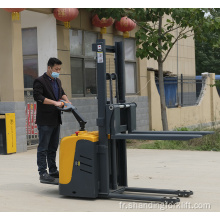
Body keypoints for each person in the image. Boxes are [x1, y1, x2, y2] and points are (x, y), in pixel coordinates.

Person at [33, 57, 71, 183]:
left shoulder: (57, 81)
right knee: (43, 147)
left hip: (56, 118)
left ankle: (53, 170)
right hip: (45, 120)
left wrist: (67, 101)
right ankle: (42, 173)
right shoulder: (40, 81)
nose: (58, 71)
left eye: (59, 69)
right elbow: (38, 97)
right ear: (49, 68)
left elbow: (62, 93)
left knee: (53, 147)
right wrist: (55, 103)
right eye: (56, 69)